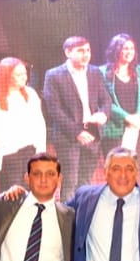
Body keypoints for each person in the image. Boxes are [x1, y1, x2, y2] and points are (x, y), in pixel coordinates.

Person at [43, 36, 110, 201]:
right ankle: (68, 215)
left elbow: (106, 99)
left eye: (88, 50)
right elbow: (54, 109)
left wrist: (103, 113)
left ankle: (83, 213)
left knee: (86, 181)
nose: (86, 54)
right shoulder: (53, 75)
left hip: (92, 133)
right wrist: (77, 132)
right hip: (68, 136)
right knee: (70, 182)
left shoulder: (95, 72)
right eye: (80, 51)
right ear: (68, 52)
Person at [0, 57, 47, 192]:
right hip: (9, 153)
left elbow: (39, 122)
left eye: (25, 73)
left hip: (30, 149)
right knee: (13, 192)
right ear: (6, 75)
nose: (24, 77)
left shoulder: (30, 93)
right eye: (18, 74)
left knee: (31, 189)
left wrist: (41, 149)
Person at [101, 34, 140, 177]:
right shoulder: (102, 72)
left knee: (133, 170)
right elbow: (105, 101)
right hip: (114, 127)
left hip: (138, 127)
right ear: (115, 50)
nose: (129, 52)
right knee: (115, 170)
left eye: (132, 48)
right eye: (125, 48)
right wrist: (126, 117)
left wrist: (138, 117)